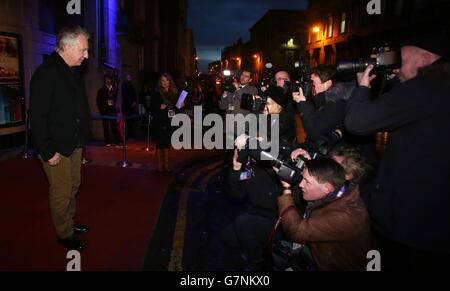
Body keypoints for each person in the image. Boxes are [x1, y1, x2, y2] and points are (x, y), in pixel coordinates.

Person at [344, 33, 450, 271]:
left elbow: (357, 122)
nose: (396, 64)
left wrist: (362, 86)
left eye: (400, 57)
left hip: (408, 224)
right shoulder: (439, 90)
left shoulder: (423, 89)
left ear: (425, 58)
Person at [29, 26, 91, 251]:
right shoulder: (46, 72)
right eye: (83, 50)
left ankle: (70, 223)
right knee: (61, 192)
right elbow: (36, 116)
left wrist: (83, 141)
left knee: (74, 185)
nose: (87, 55)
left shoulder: (71, 72)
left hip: (74, 142)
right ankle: (64, 233)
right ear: (69, 47)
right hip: (55, 146)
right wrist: (46, 151)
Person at [276, 158, 371, 271]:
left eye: (307, 181)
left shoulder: (345, 217)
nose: (301, 184)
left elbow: (295, 231)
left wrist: (286, 189)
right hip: (321, 251)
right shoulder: (339, 189)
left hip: (330, 265)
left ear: (327, 188)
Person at [151, 73, 183, 173]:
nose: (164, 82)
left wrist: (180, 106)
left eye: (166, 80)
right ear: (160, 82)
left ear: (170, 82)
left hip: (170, 121)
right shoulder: (156, 93)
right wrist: (159, 108)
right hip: (159, 121)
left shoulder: (174, 93)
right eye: (162, 81)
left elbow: (176, 110)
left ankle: (166, 165)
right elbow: (151, 108)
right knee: (160, 143)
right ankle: (160, 166)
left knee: (167, 143)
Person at [96, 75, 121, 146]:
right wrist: (102, 110)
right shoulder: (101, 90)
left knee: (114, 126)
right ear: (105, 80)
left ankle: (116, 141)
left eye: (109, 79)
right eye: (107, 79)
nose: (108, 81)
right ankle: (107, 141)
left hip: (112, 110)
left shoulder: (114, 89)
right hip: (105, 111)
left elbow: (114, 99)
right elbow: (98, 101)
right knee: (106, 126)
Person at [121, 74, 137, 138]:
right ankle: (126, 135)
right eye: (128, 77)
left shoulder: (131, 86)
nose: (129, 79)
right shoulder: (124, 86)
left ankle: (130, 134)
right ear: (126, 78)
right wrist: (131, 103)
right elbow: (125, 96)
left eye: (130, 77)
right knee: (126, 122)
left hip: (131, 107)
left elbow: (134, 95)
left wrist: (134, 102)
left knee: (131, 122)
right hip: (126, 107)